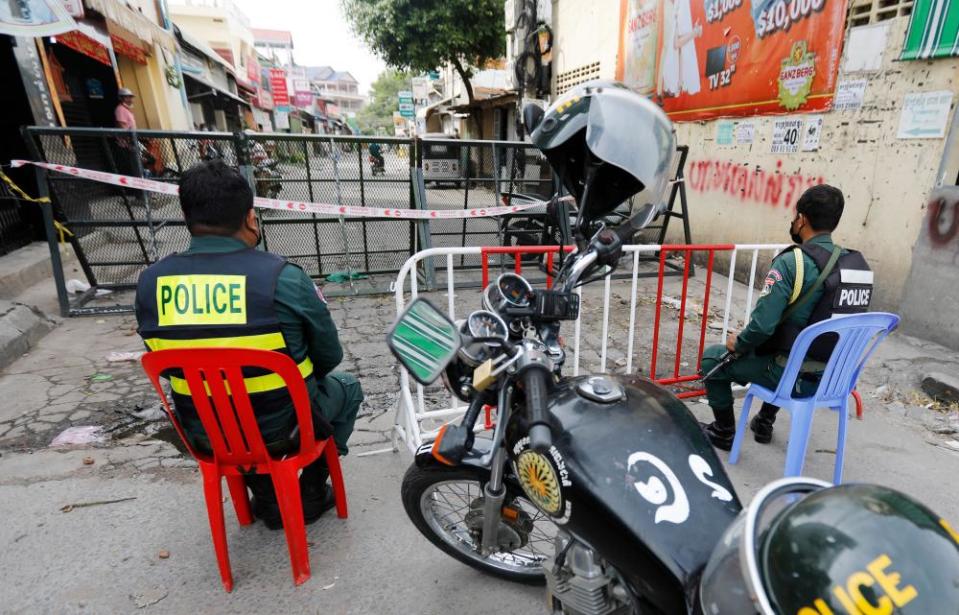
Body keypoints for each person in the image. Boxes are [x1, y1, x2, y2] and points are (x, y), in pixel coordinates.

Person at [134, 160, 363, 529]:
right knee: (348, 388)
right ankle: (309, 491)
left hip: (203, 432)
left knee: (237, 414)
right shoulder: (283, 278)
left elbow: (163, 357)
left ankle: (266, 492)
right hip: (283, 430)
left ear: (186, 216)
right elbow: (329, 356)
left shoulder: (150, 283)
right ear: (250, 217)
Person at [700, 185, 872, 450]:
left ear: (801, 219)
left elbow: (761, 327)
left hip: (792, 377)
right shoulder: (856, 267)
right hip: (834, 380)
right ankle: (765, 419)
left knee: (713, 357)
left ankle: (723, 431)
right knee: (792, 346)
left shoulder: (793, 262)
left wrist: (739, 344)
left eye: (795, 217)